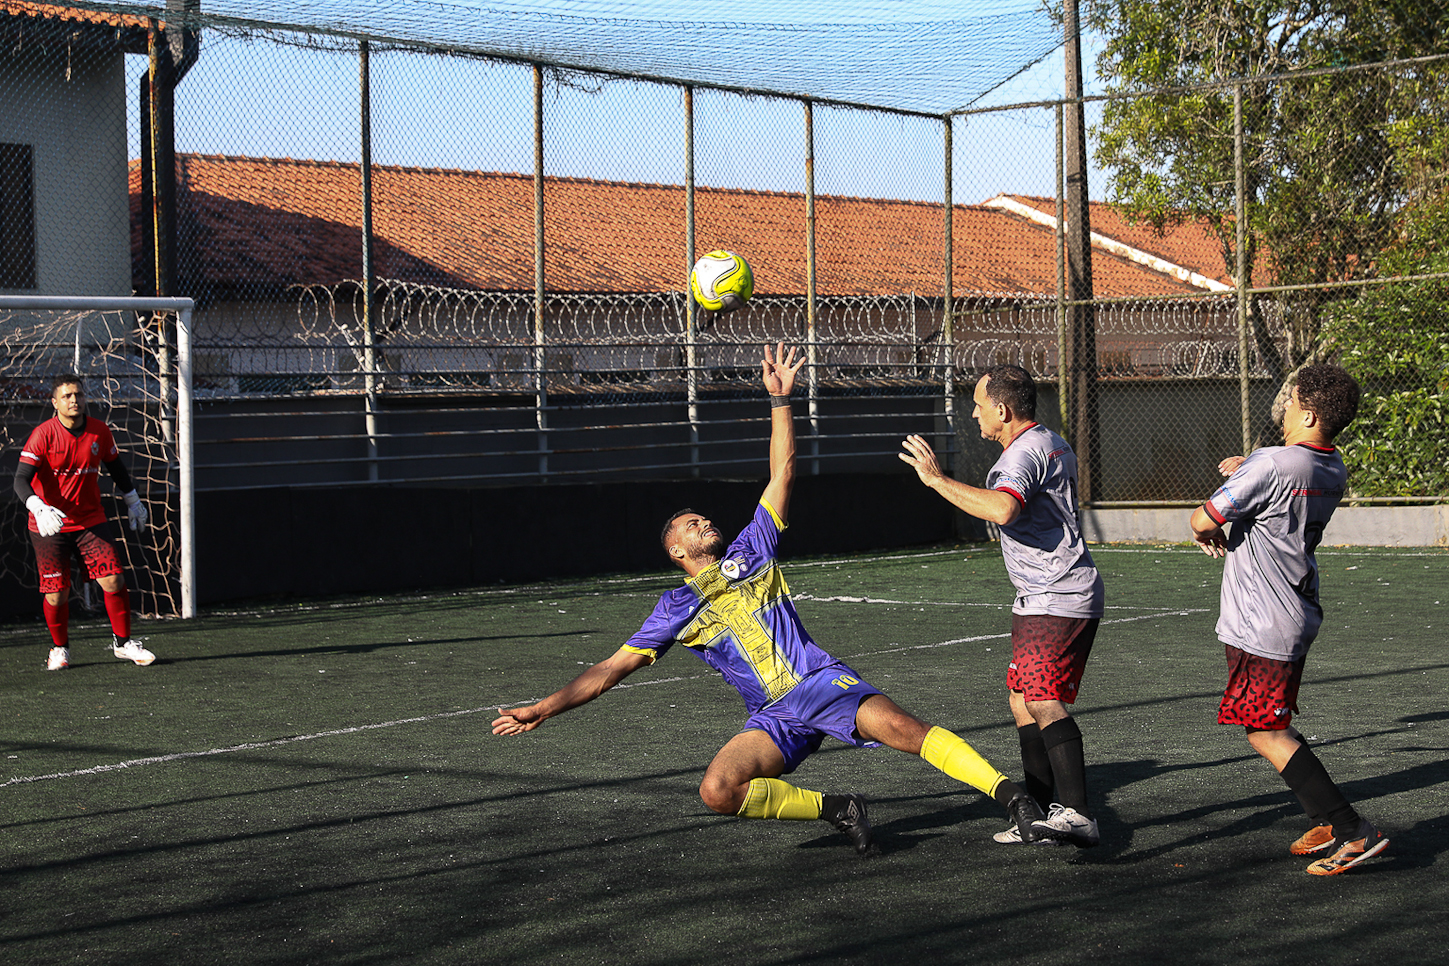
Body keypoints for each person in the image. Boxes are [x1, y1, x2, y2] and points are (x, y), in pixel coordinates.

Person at [493, 344, 1047, 854]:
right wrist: (542, 708)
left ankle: (1011, 797)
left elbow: (781, 470)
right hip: (772, 716)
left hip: (818, 683)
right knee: (718, 789)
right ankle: (839, 808)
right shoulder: (672, 610)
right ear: (675, 551)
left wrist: (780, 401)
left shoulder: (751, 548)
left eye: (703, 517)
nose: (703, 521)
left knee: (909, 732)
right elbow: (608, 672)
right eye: (691, 524)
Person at [1189, 364, 1387, 876]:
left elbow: (1202, 518)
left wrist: (1225, 507)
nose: (1284, 407)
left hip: (1263, 621)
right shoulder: (1331, 465)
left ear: (1309, 412)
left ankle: (1351, 829)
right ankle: (1323, 818)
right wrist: (1252, 466)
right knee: (1272, 723)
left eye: (1291, 399)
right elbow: (1278, 482)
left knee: (1264, 731)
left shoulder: (1274, 465)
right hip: (1293, 609)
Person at [898, 364, 1104, 848]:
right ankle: (1038, 814)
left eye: (978, 404)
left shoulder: (1022, 455)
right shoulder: (1050, 441)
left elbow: (1002, 508)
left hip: (1058, 595)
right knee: (1021, 700)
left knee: (1041, 698)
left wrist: (934, 480)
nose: (973, 413)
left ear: (1003, 409)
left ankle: (1077, 813)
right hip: (1044, 595)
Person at [14, 374, 155, 670]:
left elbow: (115, 467)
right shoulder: (43, 434)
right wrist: (38, 508)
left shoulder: (99, 431)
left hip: (90, 521)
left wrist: (132, 499)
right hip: (48, 524)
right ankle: (59, 649)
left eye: (77, 394)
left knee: (114, 578)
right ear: (55, 403)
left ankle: (123, 643)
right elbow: (20, 480)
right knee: (56, 594)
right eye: (66, 396)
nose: (73, 400)